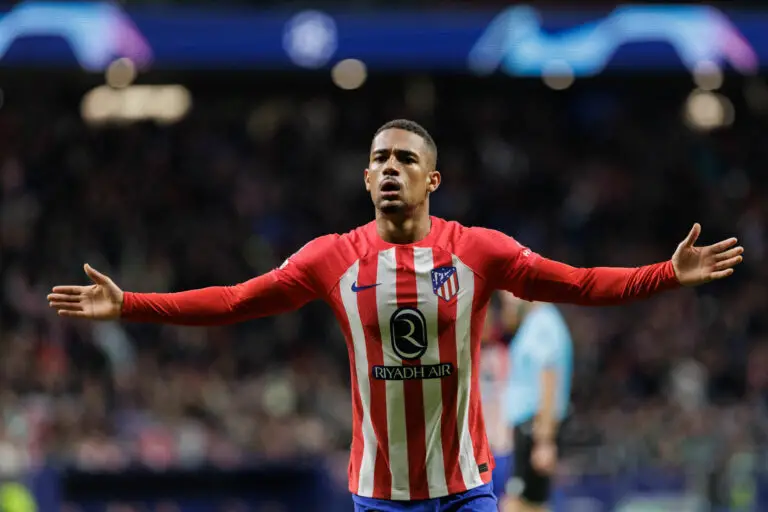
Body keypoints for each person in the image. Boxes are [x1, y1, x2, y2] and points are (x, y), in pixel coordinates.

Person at [48, 119, 744, 512]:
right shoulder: (332, 258)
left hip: (467, 489)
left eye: (405, 159)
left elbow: (582, 284)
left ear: (431, 179)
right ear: (364, 177)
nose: (389, 167)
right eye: (378, 158)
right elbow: (235, 301)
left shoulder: (477, 250)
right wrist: (130, 303)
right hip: (381, 497)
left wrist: (667, 273)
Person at [498, 292, 572, 512]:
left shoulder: (544, 324)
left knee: (517, 505)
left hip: (534, 428)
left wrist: (544, 440)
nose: (506, 300)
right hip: (528, 429)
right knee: (531, 505)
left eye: (508, 292)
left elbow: (549, 378)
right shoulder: (534, 322)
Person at [478, 300, 513, 503]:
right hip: (475, 447)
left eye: (488, 320)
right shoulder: (462, 355)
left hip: (500, 444)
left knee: (502, 499)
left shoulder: (503, 355)